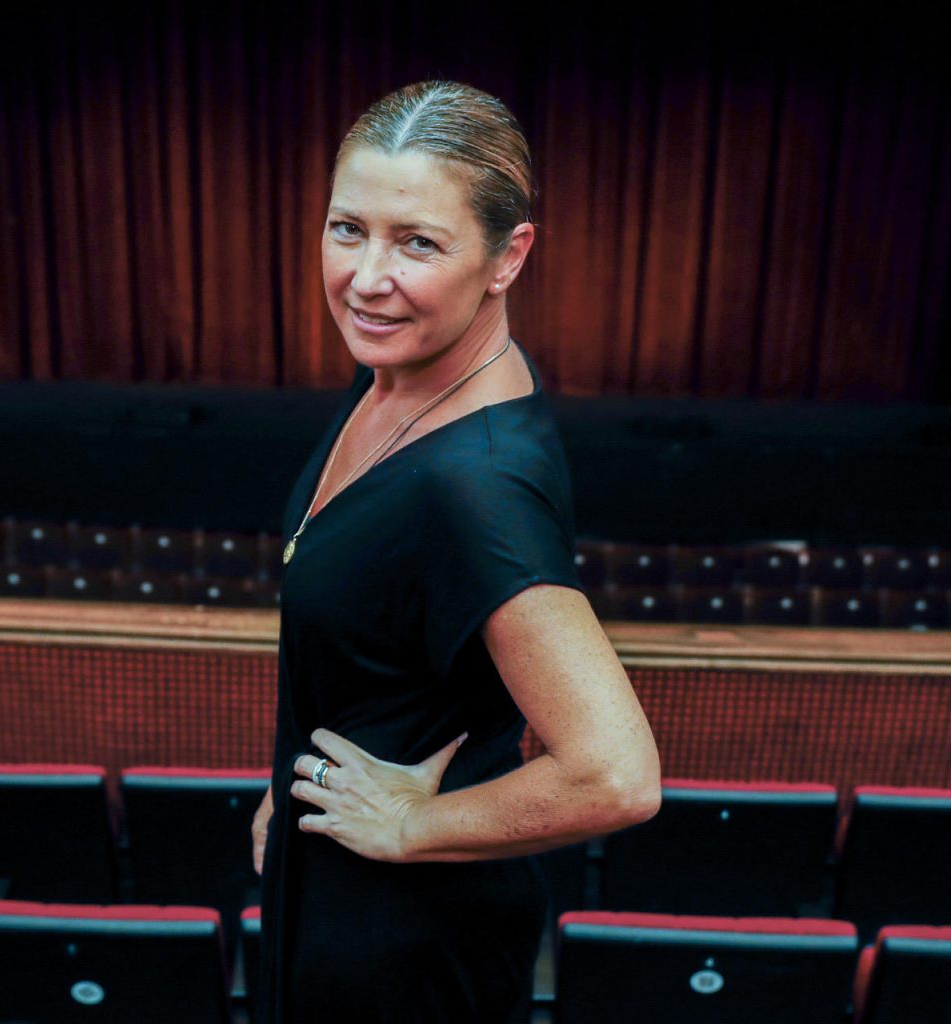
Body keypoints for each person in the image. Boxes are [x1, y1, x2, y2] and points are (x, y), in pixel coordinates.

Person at [251, 80, 661, 1023]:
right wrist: (289, 789)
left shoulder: (473, 484)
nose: (365, 276)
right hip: (343, 887)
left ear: (507, 255)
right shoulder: (406, 371)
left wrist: (413, 823)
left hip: (403, 943)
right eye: (347, 227)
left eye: (418, 242)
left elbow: (617, 773)